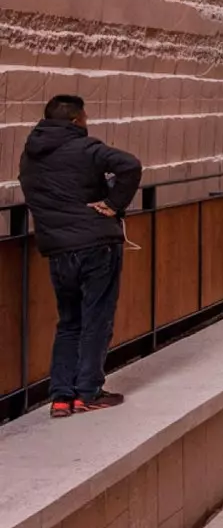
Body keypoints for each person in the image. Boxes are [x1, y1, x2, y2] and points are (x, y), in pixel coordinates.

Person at [17, 93, 142, 416]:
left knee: (69, 321)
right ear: (75, 120)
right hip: (96, 244)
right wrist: (113, 204)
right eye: (85, 118)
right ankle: (88, 391)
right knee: (97, 318)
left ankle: (60, 396)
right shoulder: (86, 148)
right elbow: (130, 165)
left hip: (58, 250)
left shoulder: (29, 156)